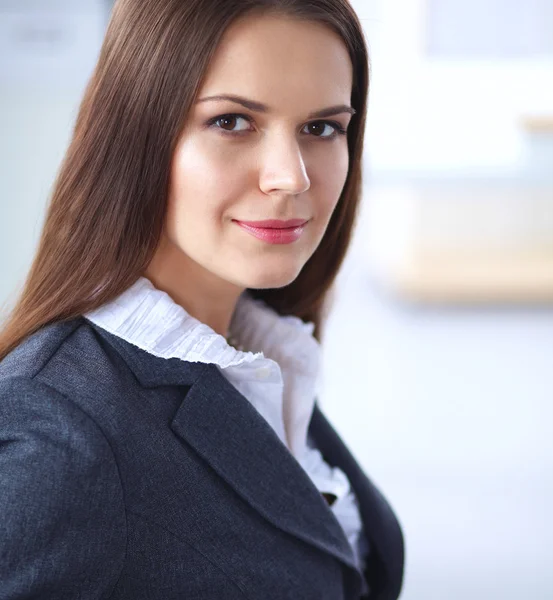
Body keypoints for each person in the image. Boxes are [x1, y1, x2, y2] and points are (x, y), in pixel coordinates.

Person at [0, 0, 404, 598]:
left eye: (321, 128)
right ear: (137, 134)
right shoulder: (60, 433)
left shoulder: (257, 355)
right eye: (233, 121)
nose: (291, 177)